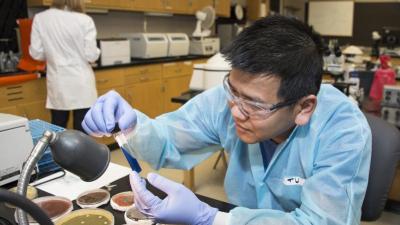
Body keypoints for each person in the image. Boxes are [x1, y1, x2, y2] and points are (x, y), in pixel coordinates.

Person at [82, 15, 372, 225]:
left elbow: (320, 222)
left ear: (304, 107)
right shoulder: (230, 100)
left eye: (254, 105)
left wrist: (211, 218)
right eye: (232, 90)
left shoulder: (342, 129)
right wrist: (131, 125)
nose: (235, 110)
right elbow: (170, 140)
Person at [30, 0, 100, 132]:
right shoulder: (84, 20)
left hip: (58, 81)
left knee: (58, 127)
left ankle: (58, 153)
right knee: (82, 129)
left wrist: (53, 53)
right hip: (82, 82)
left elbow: (37, 53)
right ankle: (81, 153)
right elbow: (91, 55)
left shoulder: (41, 18)